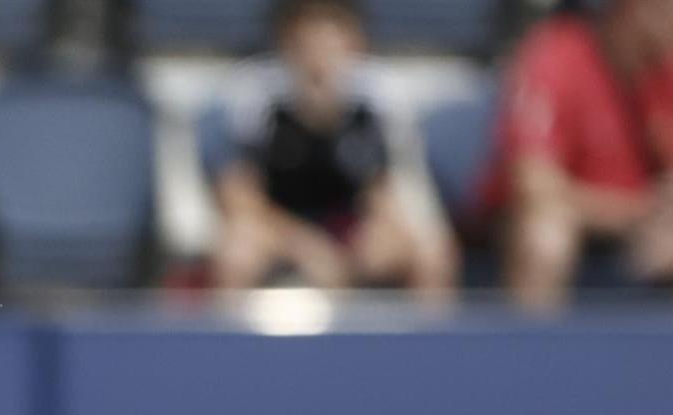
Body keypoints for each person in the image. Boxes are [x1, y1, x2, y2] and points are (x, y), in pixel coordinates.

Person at [210, 0, 457, 300]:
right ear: (288, 40)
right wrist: (306, 247)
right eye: (308, 37)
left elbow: (382, 192)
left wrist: (374, 236)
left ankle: (424, 346)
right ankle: (229, 347)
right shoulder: (254, 94)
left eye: (332, 36)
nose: (320, 51)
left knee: (431, 252)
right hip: (279, 226)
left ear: (354, 41)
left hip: (350, 225)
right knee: (238, 251)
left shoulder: (377, 96)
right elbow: (240, 199)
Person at [482, 0, 673, 308]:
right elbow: (535, 188)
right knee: (546, 235)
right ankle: (530, 353)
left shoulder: (666, 72)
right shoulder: (555, 55)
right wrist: (642, 212)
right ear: (630, 10)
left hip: (643, 231)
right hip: (557, 223)